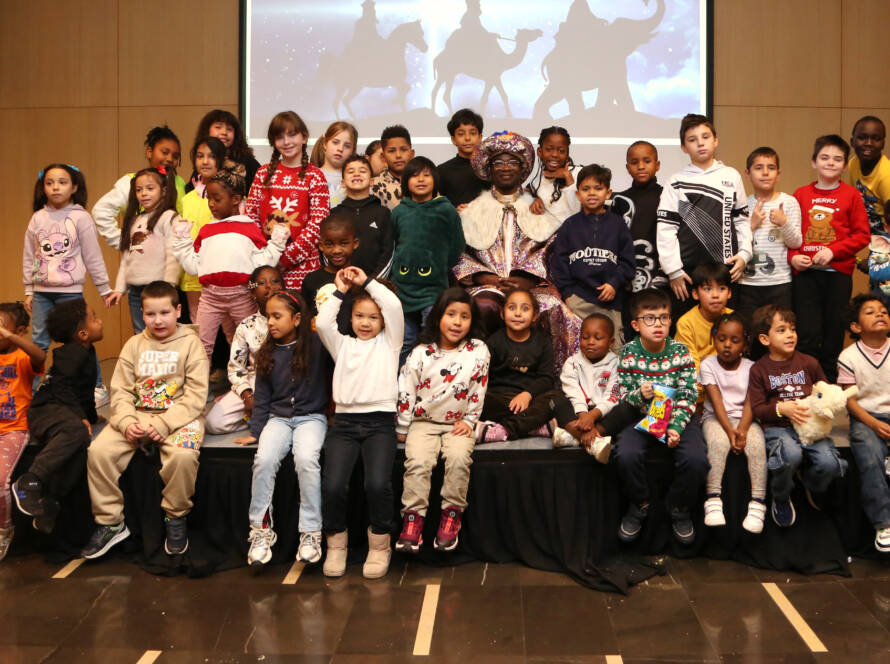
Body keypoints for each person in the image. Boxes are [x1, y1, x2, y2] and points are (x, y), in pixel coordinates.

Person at [82, 282, 209, 559]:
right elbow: (121, 391)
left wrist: (163, 424)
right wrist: (127, 422)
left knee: (182, 457)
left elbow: (196, 397)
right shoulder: (134, 344)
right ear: (142, 313)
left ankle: (175, 517)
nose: (158, 320)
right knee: (98, 452)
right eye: (151, 314)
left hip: (181, 419)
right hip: (138, 415)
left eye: (165, 312)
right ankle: (110, 522)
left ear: (178, 311)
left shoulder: (191, 345)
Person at [455, 131, 580, 367]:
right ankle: (483, 376)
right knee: (485, 306)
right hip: (485, 286)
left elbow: (549, 249)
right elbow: (460, 255)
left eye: (512, 162)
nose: (505, 168)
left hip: (530, 286)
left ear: (522, 169)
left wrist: (527, 280)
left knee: (553, 308)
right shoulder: (471, 209)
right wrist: (486, 277)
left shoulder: (537, 206)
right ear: (489, 169)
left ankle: (553, 382)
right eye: (498, 163)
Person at [317, 267, 404, 578]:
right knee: (333, 485)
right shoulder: (342, 345)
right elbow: (324, 322)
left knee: (377, 484)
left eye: (373, 317)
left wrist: (367, 282)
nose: (366, 323)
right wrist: (341, 291)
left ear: (383, 322)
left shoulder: (390, 345)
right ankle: (336, 545)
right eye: (359, 316)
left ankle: (380, 546)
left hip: (379, 424)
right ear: (351, 317)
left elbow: (393, 306)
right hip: (343, 425)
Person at [236, 290, 333, 569]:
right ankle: (260, 531)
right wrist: (256, 431)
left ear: (297, 318)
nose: (271, 323)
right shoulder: (267, 351)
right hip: (278, 419)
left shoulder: (316, 345)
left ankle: (311, 532)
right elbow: (263, 395)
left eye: (277, 316)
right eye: (268, 317)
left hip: (311, 417)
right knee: (264, 460)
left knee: (306, 460)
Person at [395, 287, 490, 554]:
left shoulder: (478, 350)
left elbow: (479, 388)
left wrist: (471, 421)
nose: (457, 322)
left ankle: (452, 516)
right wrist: (403, 425)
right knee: (418, 463)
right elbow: (406, 390)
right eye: (451, 314)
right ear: (438, 317)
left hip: (457, 423)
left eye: (464, 316)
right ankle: (413, 521)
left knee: (459, 461)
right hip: (423, 422)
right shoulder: (421, 353)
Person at [613, 288, 706, 545]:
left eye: (664, 317)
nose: (658, 324)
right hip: (641, 417)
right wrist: (639, 395)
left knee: (696, 459)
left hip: (678, 415)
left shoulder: (681, 352)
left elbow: (689, 394)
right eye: (649, 318)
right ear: (635, 324)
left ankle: (679, 507)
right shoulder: (629, 353)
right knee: (625, 455)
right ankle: (640, 502)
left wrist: (675, 426)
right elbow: (622, 394)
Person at [173, 167, 290, 360]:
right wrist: (182, 240)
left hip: (242, 296)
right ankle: (200, 387)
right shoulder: (206, 230)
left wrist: (277, 243)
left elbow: (262, 265)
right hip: (210, 298)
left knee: (252, 341)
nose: (211, 204)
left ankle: (250, 384)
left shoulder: (249, 228)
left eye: (216, 199)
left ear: (236, 199)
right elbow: (194, 266)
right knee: (201, 345)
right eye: (208, 198)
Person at [748, 304, 846, 528]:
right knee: (790, 455)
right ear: (765, 339)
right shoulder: (759, 370)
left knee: (830, 464)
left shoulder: (809, 363)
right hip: (779, 427)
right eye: (781, 330)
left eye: (792, 329)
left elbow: (824, 391)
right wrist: (782, 408)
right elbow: (758, 409)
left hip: (811, 427)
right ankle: (781, 496)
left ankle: (809, 485)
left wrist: (830, 402)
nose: (790, 334)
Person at [13, 300, 102, 537]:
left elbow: (83, 390)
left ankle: (51, 501)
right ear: (82, 334)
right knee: (77, 431)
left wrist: (92, 416)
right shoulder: (73, 354)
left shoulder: (85, 350)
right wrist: (81, 418)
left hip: (58, 409)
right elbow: (62, 388)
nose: (100, 321)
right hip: (45, 409)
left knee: (82, 445)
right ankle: (29, 481)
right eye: (95, 318)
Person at [791, 134, 870, 382]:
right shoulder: (801, 194)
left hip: (838, 276)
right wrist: (794, 257)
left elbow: (862, 235)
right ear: (814, 162)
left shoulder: (852, 196)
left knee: (834, 333)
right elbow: (790, 235)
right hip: (806, 276)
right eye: (824, 157)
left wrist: (833, 251)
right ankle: (805, 388)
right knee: (807, 334)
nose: (830, 163)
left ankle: (827, 390)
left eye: (837, 159)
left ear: (845, 165)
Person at [656, 114, 751, 317]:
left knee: (729, 334)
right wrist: (673, 271)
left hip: (725, 271)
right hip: (687, 275)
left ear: (715, 140)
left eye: (705, 137)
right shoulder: (675, 181)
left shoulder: (731, 176)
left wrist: (744, 254)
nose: (700, 143)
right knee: (686, 332)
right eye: (692, 139)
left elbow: (742, 220)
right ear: (683, 147)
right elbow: (666, 229)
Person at [23, 163, 114, 352]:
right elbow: (29, 256)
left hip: (70, 292)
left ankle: (95, 382)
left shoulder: (81, 217)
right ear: (43, 188)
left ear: (74, 187)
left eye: (62, 182)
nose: (55, 187)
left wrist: (104, 288)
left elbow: (93, 256)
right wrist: (29, 290)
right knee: (39, 341)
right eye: (49, 183)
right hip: (41, 293)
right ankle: (30, 383)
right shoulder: (37, 218)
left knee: (78, 338)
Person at [548, 163, 635, 347]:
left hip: (611, 300)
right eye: (586, 189)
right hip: (579, 300)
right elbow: (559, 263)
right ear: (578, 194)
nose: (592, 193)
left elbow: (628, 263)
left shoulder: (618, 224)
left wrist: (614, 283)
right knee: (581, 347)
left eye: (598, 188)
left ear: (608, 193)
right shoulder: (570, 226)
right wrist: (568, 294)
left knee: (614, 349)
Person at [245, 111, 330, 290]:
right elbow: (251, 217)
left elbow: (318, 225)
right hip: (265, 267)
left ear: (304, 137)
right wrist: (268, 257)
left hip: (304, 269)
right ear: (273, 142)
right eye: (280, 137)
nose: (286, 142)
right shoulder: (262, 174)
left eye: (292, 134)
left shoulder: (315, 176)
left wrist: (283, 259)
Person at [391, 157, 465, 361]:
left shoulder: (446, 210)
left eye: (426, 175)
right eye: (414, 175)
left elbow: (457, 245)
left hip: (433, 290)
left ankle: (429, 386)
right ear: (406, 181)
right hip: (402, 289)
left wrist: (439, 266)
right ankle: (400, 387)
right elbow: (393, 246)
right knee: (405, 340)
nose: (421, 179)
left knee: (430, 340)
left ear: (435, 180)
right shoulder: (398, 212)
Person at [699, 313, 767, 534]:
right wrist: (730, 432)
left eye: (735, 341)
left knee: (757, 446)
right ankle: (713, 499)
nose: (727, 345)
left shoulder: (752, 367)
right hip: (716, 419)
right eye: (721, 339)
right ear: (713, 339)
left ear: (745, 344)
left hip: (746, 419)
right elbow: (716, 400)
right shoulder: (707, 364)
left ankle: (758, 503)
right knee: (718, 443)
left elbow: (750, 401)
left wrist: (743, 430)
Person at [837, 295, 890, 552]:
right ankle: (884, 524)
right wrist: (873, 423)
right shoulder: (848, 356)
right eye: (870, 312)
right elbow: (850, 399)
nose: (880, 314)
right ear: (856, 327)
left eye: (883, 311)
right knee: (869, 456)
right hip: (865, 418)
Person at [205, 265, 282, 435]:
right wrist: (247, 396)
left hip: (286, 383)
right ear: (253, 293)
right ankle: (256, 417)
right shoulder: (247, 326)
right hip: (256, 381)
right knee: (213, 423)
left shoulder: (295, 320)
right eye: (262, 283)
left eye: (275, 281)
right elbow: (236, 368)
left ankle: (269, 420)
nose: (269, 286)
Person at [477, 288, 562, 442]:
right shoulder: (494, 342)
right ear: (502, 314)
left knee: (556, 399)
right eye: (511, 308)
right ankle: (533, 426)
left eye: (525, 308)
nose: (517, 313)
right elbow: (482, 376)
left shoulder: (542, 342)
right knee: (479, 401)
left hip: (530, 399)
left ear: (535, 315)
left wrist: (527, 395)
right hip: (500, 398)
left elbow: (546, 378)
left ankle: (505, 430)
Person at [551, 313, 637, 459]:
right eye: (585, 337)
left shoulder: (616, 363)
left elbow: (613, 395)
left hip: (603, 413)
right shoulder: (572, 363)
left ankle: (575, 437)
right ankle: (594, 441)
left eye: (598, 338)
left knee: (628, 408)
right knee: (556, 400)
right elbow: (573, 392)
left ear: (611, 343)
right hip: (578, 414)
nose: (590, 342)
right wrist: (584, 415)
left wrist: (593, 416)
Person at [109, 167, 182, 334]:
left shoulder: (169, 217)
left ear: (163, 191)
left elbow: (173, 254)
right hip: (135, 291)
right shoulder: (135, 220)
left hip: (158, 288)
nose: (144, 194)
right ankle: (144, 360)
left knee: (161, 332)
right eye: (139, 190)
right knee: (140, 333)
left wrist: (169, 285)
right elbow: (127, 258)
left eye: (150, 188)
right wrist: (119, 288)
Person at [735, 147, 802, 326]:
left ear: (778, 174)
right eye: (758, 168)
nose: (765, 173)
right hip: (748, 282)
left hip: (780, 282)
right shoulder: (741, 205)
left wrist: (784, 223)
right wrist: (752, 225)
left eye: (771, 168)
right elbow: (734, 245)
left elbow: (796, 243)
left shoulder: (789, 203)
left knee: (779, 330)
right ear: (747, 174)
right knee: (749, 332)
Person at [92, 125, 186, 250]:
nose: (169, 159)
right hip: (142, 263)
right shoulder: (132, 182)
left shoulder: (179, 183)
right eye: (164, 152)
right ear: (149, 152)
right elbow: (101, 211)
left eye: (175, 156)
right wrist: (123, 242)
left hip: (173, 263)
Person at [0, 303, 44, 560]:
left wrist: (11, 338)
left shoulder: (22, 358)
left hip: (12, 429)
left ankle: (4, 530)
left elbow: (40, 356)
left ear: (19, 331)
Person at [178, 136, 233, 320]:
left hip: (224, 273)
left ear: (222, 160)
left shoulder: (234, 198)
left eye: (211, 156)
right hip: (194, 276)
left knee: (229, 328)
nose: (205, 161)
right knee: (199, 325)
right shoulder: (186, 199)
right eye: (200, 156)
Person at [330, 154, 393, 278]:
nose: (357, 174)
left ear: (371, 182)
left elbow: (388, 254)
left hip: (375, 285)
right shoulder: (334, 214)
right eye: (351, 171)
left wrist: (372, 284)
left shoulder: (383, 213)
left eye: (362, 171)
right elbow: (328, 252)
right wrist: (340, 279)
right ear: (343, 182)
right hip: (342, 283)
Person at [302, 214, 358, 332]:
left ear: (355, 243)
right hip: (319, 345)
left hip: (352, 346)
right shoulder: (311, 280)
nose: (336, 250)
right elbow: (306, 317)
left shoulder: (359, 279)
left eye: (343, 243)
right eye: (329, 244)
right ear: (321, 246)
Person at [674, 263, 734, 373]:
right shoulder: (686, 324)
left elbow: (736, 358)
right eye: (707, 289)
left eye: (722, 288)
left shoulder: (734, 319)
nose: (715, 295)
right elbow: (690, 367)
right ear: (696, 294)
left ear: (729, 293)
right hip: (699, 383)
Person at [190, 109, 261, 192]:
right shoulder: (203, 161)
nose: (224, 132)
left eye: (229, 129)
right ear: (207, 131)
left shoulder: (247, 161)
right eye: (218, 127)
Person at [848, 115, 890, 237]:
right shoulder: (853, 163)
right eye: (862, 138)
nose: (869, 143)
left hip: (884, 236)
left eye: (876, 138)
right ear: (852, 141)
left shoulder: (886, 174)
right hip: (862, 230)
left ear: (883, 143)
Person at [527, 126, 580, 221]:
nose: (555, 154)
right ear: (540, 152)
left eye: (561, 151)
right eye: (549, 149)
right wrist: (534, 200)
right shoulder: (535, 183)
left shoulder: (580, 174)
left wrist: (568, 177)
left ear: (567, 154)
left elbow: (577, 212)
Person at [437, 108, 488, 209]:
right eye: (461, 134)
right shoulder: (442, 171)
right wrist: (453, 212)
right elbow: (437, 207)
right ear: (453, 139)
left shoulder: (490, 168)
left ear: (480, 137)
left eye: (473, 133)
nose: (467, 138)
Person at [310, 121, 358, 207]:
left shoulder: (356, 179)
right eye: (335, 142)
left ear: (352, 151)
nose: (340, 149)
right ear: (325, 144)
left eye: (347, 146)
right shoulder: (311, 176)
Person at [370, 125, 414, 210]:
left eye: (403, 149)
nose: (398, 155)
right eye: (392, 151)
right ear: (383, 157)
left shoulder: (423, 182)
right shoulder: (374, 186)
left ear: (412, 154)